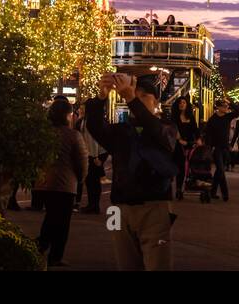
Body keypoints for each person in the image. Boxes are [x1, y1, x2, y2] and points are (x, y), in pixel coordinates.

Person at [84, 72, 179, 270]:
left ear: (156, 102)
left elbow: (157, 132)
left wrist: (130, 97)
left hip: (155, 206)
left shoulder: (166, 128)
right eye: (137, 95)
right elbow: (93, 126)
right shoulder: (122, 130)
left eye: (144, 96)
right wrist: (102, 96)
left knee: (158, 264)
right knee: (124, 263)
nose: (138, 99)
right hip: (118, 209)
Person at [37, 99, 86, 267]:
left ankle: (41, 246)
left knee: (50, 216)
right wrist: (81, 178)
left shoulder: (43, 133)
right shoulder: (73, 135)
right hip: (65, 184)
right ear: (67, 115)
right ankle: (54, 254)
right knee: (62, 222)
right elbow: (81, 160)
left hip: (44, 182)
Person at [204, 99, 233, 202]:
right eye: (224, 106)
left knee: (219, 171)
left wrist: (229, 102)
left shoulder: (227, 117)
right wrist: (210, 146)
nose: (226, 108)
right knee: (220, 169)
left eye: (227, 106)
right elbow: (208, 134)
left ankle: (213, 191)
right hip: (216, 148)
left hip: (225, 147)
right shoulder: (213, 119)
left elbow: (237, 110)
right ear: (219, 108)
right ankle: (225, 194)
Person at [171, 95, 198, 200]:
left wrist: (198, 139)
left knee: (185, 168)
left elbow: (195, 130)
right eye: (180, 103)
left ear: (187, 105)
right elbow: (172, 130)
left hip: (188, 144)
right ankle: (175, 188)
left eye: (184, 103)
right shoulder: (174, 117)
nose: (182, 104)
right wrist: (179, 140)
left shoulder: (190, 117)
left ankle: (181, 188)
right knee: (178, 167)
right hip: (177, 145)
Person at [186, 132, 216, 203]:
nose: (196, 141)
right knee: (207, 180)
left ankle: (199, 182)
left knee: (196, 178)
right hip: (206, 171)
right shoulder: (208, 150)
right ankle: (202, 184)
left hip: (195, 171)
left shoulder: (196, 149)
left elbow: (190, 160)